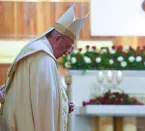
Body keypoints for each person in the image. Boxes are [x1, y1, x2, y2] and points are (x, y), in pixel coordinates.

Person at [0, 3, 88, 131]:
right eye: (67, 46)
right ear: (57, 39)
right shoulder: (44, 59)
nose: (67, 52)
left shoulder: (36, 51)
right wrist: (62, 106)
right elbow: (43, 106)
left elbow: (39, 98)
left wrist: (62, 105)